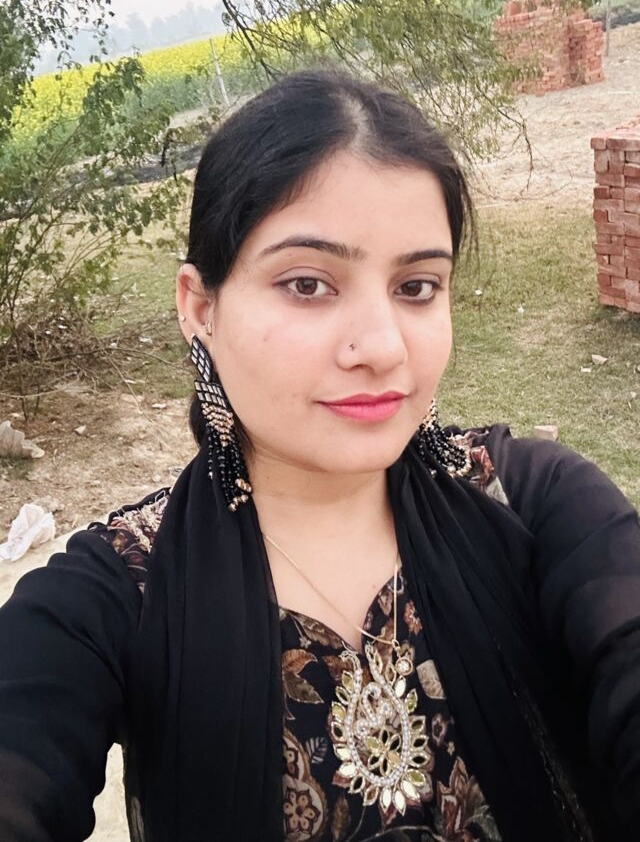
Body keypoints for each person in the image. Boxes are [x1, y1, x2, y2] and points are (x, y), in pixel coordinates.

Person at [0, 69, 638, 842]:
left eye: (416, 286)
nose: (382, 347)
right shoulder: (119, 593)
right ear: (199, 308)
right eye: (307, 284)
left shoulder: (535, 503)